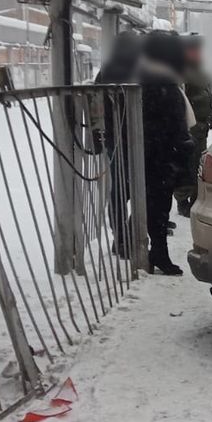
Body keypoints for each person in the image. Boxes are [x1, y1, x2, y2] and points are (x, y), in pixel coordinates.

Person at [136, 31, 193, 275]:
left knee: (155, 204)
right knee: (157, 206)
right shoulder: (161, 85)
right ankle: (157, 253)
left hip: (154, 154)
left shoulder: (148, 79)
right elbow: (173, 124)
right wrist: (181, 151)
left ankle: (155, 251)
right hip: (160, 155)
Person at [93, 31, 142, 257]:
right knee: (138, 189)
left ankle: (120, 237)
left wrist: (98, 136)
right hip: (135, 139)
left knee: (120, 191)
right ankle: (126, 236)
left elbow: (95, 106)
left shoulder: (105, 72)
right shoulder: (139, 72)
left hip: (115, 139)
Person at [173, 35, 212, 217]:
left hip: (201, 130)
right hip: (189, 129)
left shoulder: (201, 71)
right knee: (186, 166)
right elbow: (180, 100)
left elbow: (207, 96)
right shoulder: (182, 72)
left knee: (198, 167)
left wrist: (210, 115)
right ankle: (183, 200)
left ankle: (195, 200)